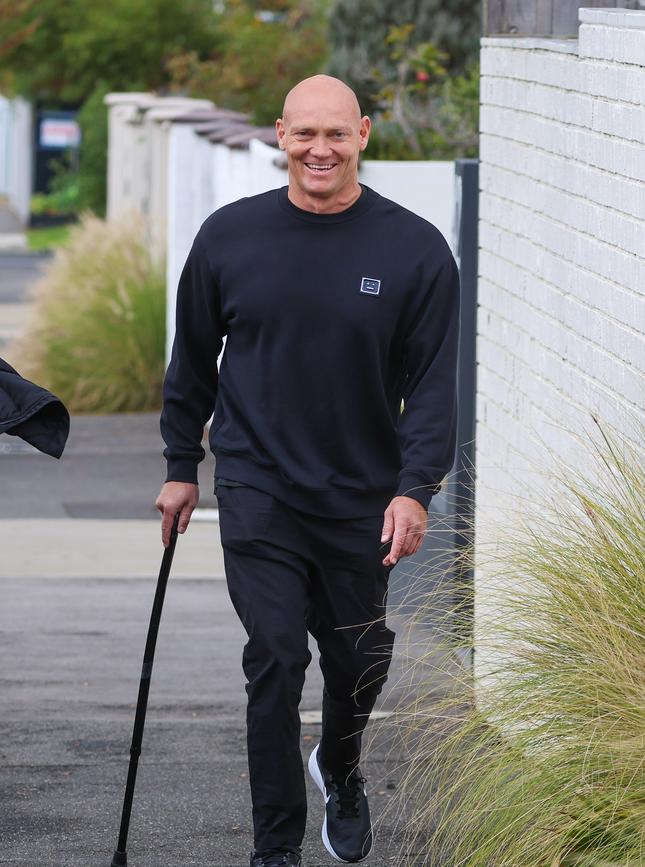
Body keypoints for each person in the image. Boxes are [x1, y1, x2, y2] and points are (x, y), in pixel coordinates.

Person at [156, 74, 460, 867]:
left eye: (335, 134)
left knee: (360, 656)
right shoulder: (230, 237)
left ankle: (344, 765)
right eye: (303, 135)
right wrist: (181, 464)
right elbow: (189, 361)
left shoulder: (415, 248)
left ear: (362, 133)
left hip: (362, 493)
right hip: (258, 487)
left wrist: (414, 487)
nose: (319, 150)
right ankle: (275, 847)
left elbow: (431, 389)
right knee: (277, 655)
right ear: (279, 135)